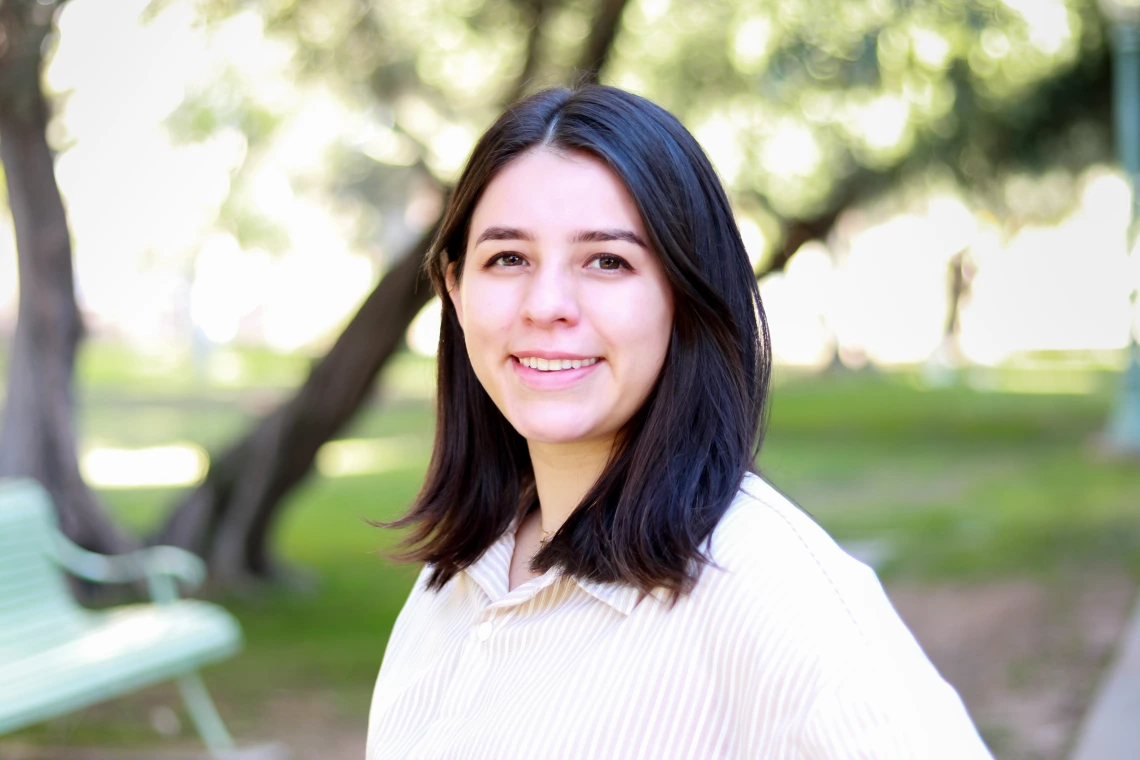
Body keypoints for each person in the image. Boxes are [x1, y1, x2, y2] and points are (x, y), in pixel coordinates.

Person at [367, 84, 993, 759]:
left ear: (687, 295)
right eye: (508, 258)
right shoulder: (460, 577)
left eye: (608, 260)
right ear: (456, 291)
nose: (546, 305)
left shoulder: (770, 590)